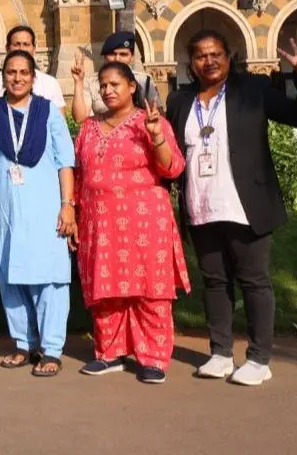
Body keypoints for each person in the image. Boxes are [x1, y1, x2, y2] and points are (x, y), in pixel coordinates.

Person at [165, 30, 297, 386]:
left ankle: (258, 358)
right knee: (215, 282)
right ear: (192, 62)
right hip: (202, 206)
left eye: (217, 53)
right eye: (202, 55)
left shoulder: (251, 90)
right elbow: (173, 153)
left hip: (245, 204)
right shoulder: (180, 101)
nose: (210, 60)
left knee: (253, 281)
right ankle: (220, 353)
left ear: (229, 56)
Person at [74, 62, 187, 384]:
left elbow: (172, 169)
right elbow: (80, 175)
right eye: (104, 86)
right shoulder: (89, 128)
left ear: (132, 87)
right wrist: (75, 214)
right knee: (105, 289)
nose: (108, 91)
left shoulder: (150, 122)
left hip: (144, 219)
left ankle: (152, 357)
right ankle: (109, 352)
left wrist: (156, 137)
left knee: (149, 288)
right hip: (100, 220)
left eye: (115, 84)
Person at [0, 50, 76, 378]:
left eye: (23, 72)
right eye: (10, 72)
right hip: (7, 209)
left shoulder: (47, 113)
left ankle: (52, 348)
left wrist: (68, 205)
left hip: (45, 207)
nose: (16, 78)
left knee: (49, 278)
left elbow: (64, 161)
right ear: (3, 76)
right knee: (11, 276)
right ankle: (23, 343)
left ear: (33, 77)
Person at [0, 24, 66, 111]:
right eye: (16, 44)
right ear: (7, 48)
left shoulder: (50, 83)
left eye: (26, 44)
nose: (21, 49)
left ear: (34, 49)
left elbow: (60, 125)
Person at [71, 31, 160, 124]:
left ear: (132, 57)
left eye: (123, 54)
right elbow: (80, 118)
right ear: (105, 57)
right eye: (113, 54)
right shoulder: (91, 82)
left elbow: (158, 116)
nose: (117, 59)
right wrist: (78, 82)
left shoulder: (144, 81)